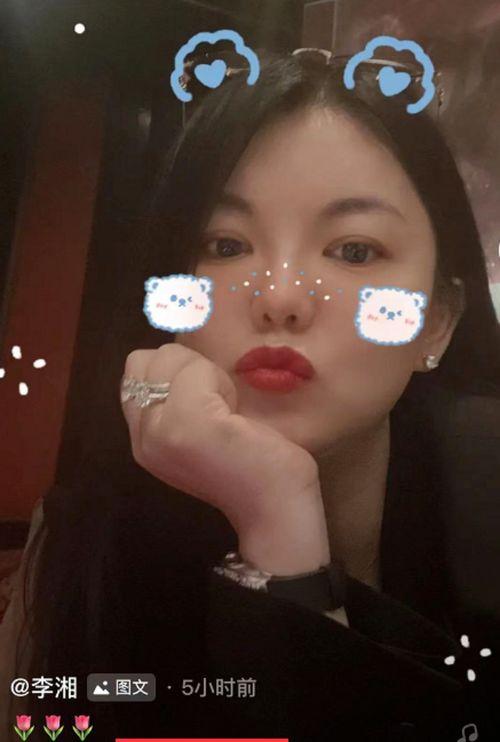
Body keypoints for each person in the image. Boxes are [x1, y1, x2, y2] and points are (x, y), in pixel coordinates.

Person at [1, 48, 500, 741]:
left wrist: (281, 542)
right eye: (226, 245)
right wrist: (275, 515)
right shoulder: (79, 544)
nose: (281, 297)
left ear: (437, 322)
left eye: (354, 250)